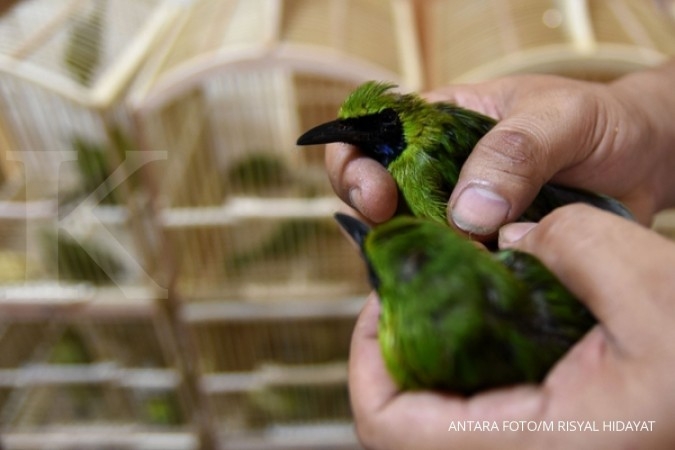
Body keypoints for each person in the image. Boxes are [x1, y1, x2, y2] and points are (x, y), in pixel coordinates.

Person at [325, 59, 675, 448]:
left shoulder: (424, 160)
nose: (351, 137)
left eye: (368, 126)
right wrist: (647, 114)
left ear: (396, 121)